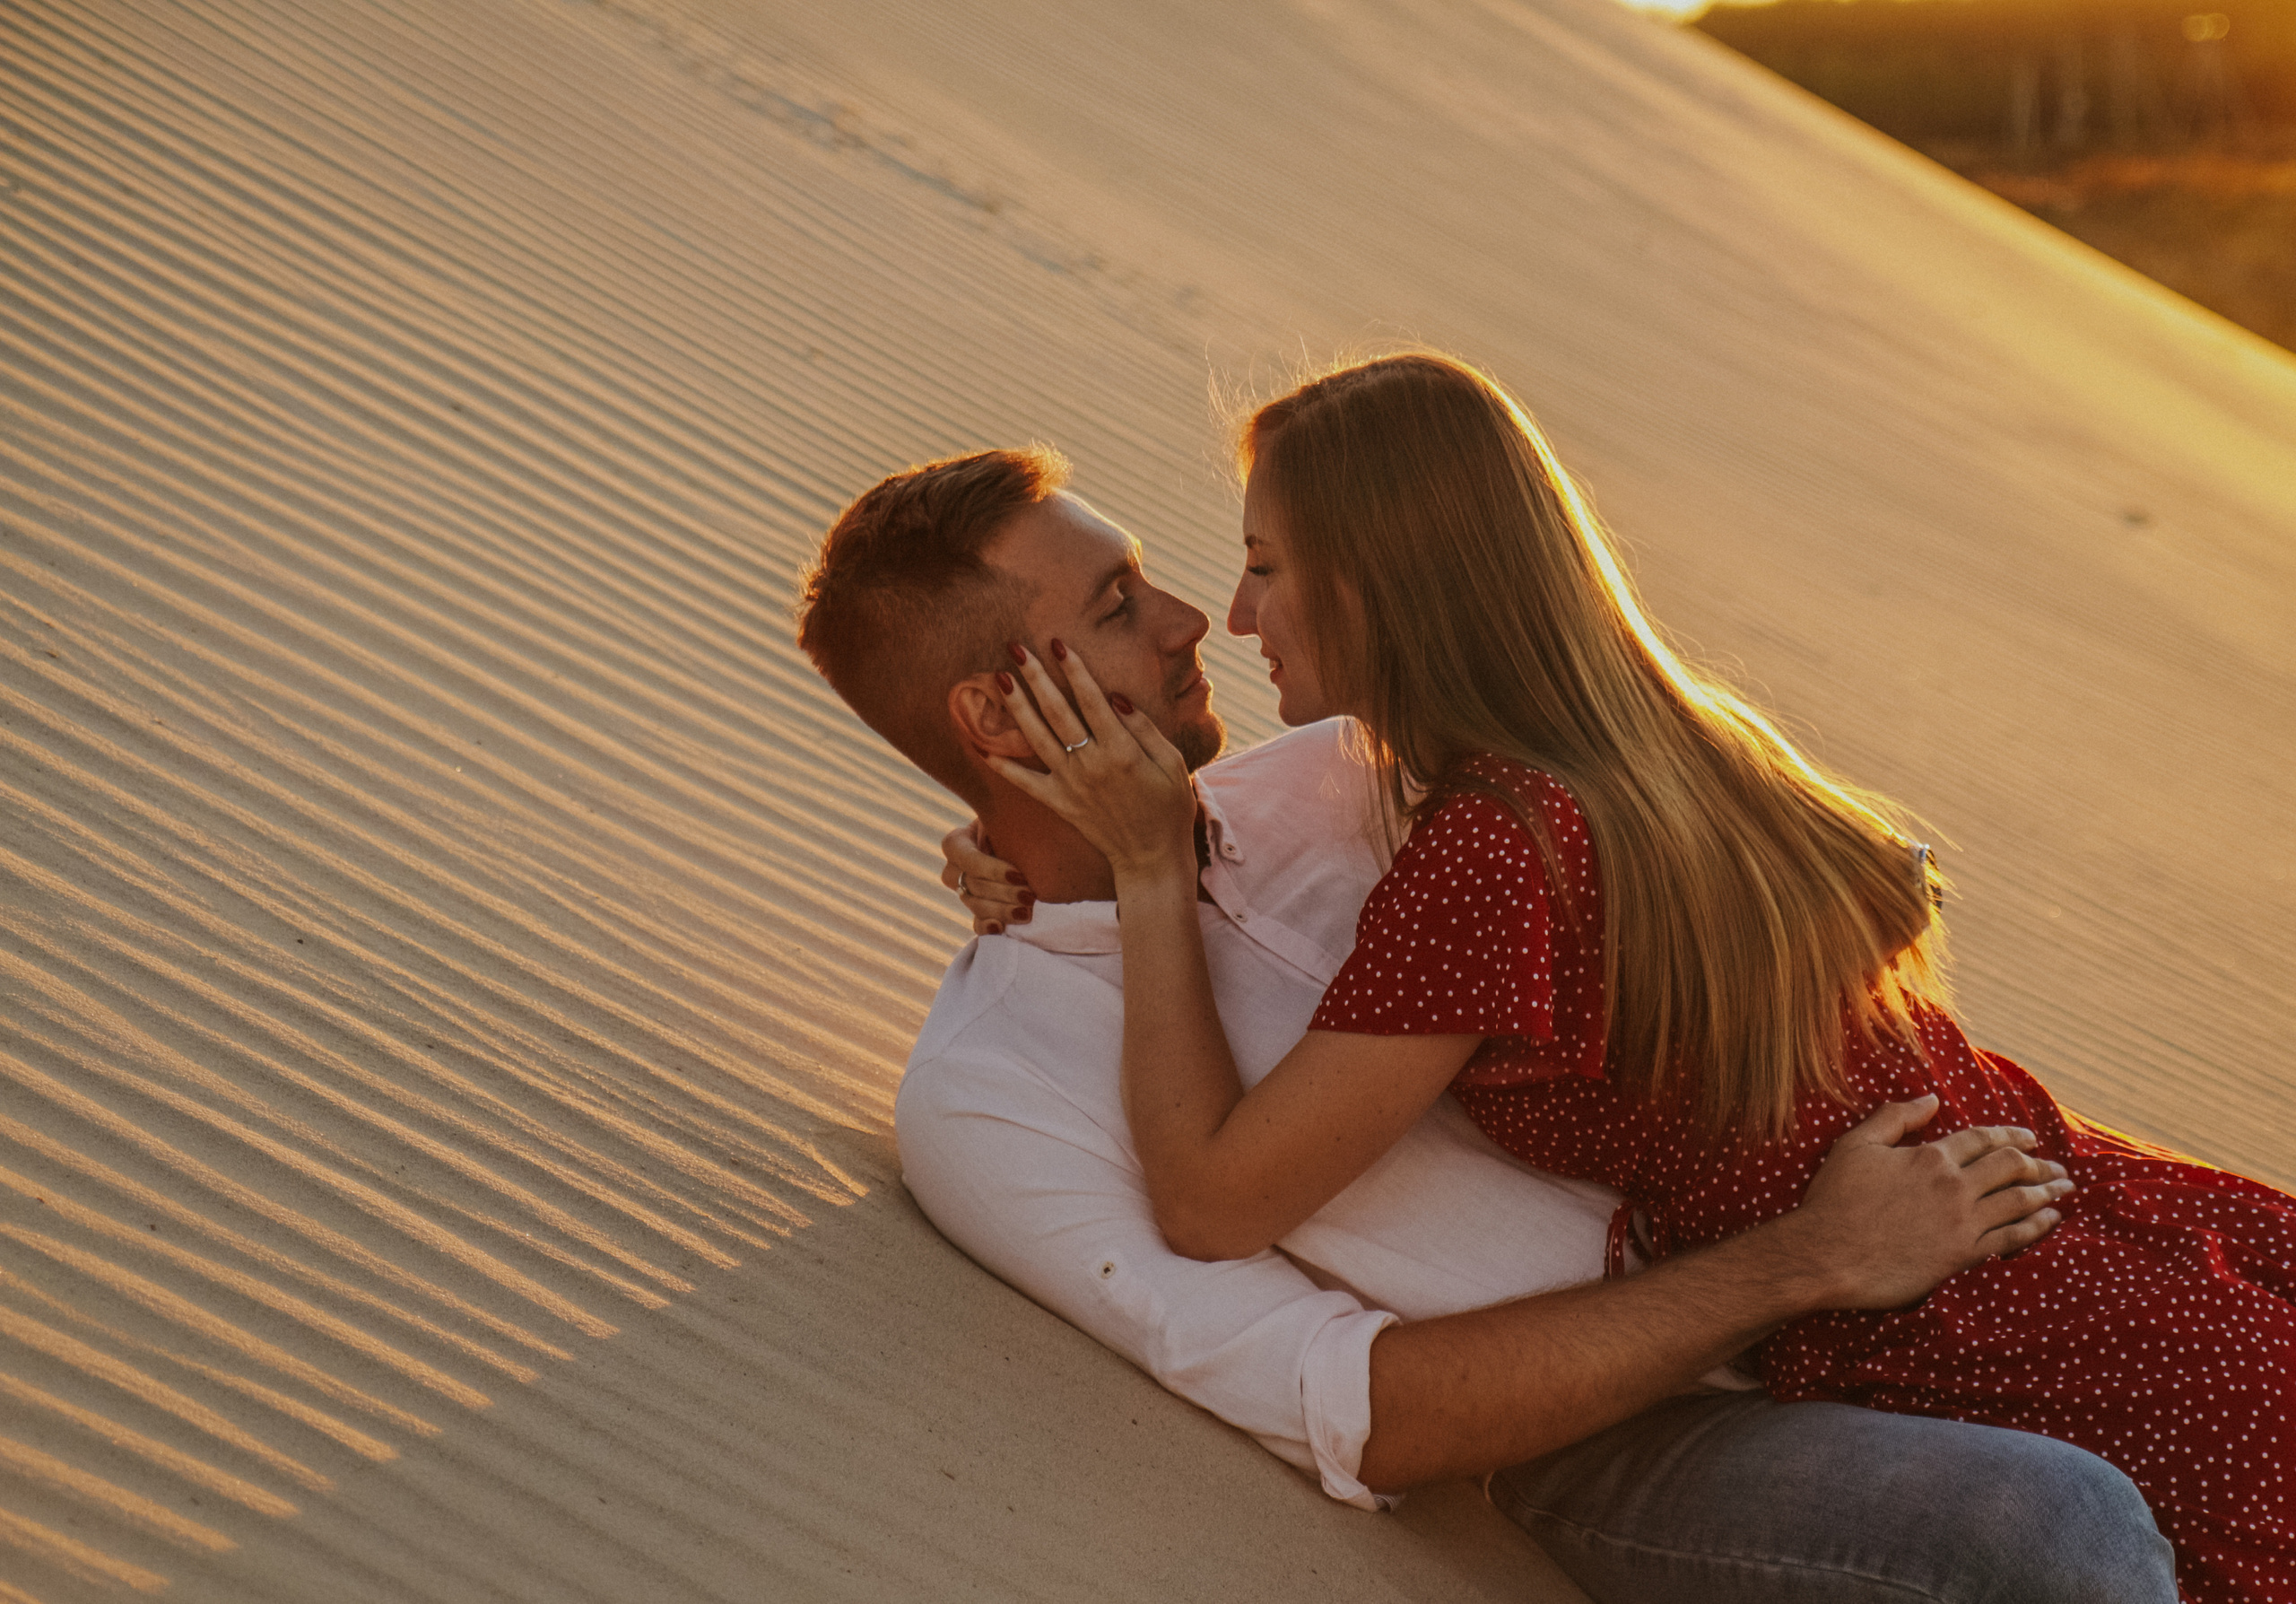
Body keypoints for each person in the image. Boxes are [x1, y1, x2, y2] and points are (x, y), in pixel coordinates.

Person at [976, 353, 2296, 1601]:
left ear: (1382, 582)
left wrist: (1144, 879)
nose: (1237, 613)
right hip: (2127, 1239)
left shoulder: (1494, 848)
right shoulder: (1675, 747)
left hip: (2006, 1330)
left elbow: (1213, 1205)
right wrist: (1022, 850)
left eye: (1269, 566)